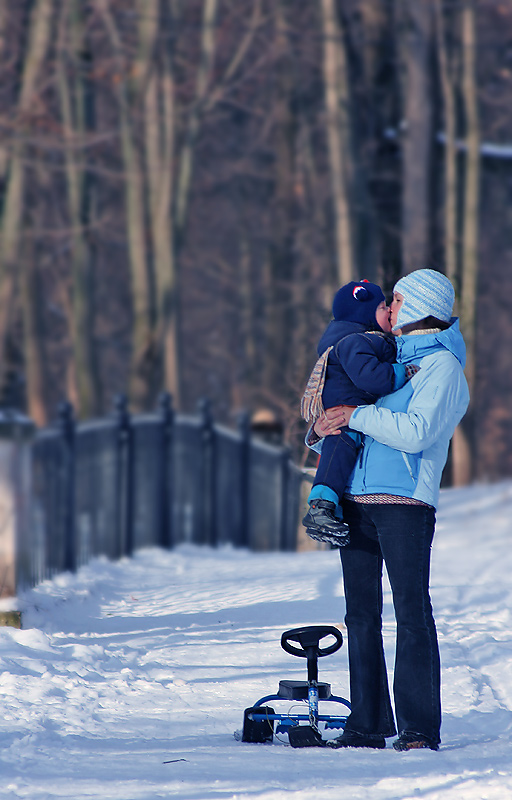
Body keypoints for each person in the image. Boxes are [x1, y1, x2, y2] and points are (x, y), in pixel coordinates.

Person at [309, 268, 470, 752]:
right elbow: (353, 433)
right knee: (359, 616)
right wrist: (322, 429)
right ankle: (367, 724)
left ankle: (419, 729)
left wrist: (356, 415)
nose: (390, 307)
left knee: (410, 613)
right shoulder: (385, 356)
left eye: (398, 299)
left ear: (421, 306)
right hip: (357, 501)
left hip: (405, 504)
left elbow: (417, 432)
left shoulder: (441, 368)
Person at [302, 280, 417, 547]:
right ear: (363, 314)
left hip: (350, 412)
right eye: (381, 306)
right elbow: (372, 378)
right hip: (346, 411)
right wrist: (401, 372)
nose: (388, 310)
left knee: (340, 457)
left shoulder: (358, 339)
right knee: (339, 453)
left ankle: (330, 509)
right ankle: (321, 508)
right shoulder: (356, 341)